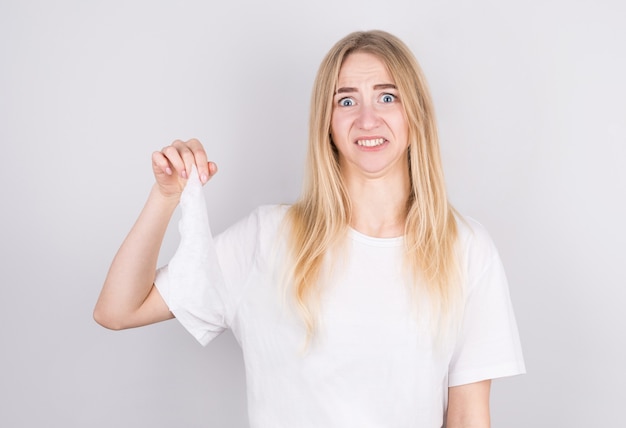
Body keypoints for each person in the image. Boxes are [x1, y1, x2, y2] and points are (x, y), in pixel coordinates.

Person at [94, 30, 525, 427]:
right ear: (327, 123)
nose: (368, 119)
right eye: (347, 100)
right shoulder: (267, 238)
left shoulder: (465, 249)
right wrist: (166, 196)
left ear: (417, 115)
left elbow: (469, 416)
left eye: (388, 97)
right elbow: (118, 310)